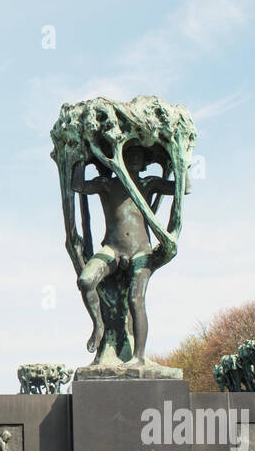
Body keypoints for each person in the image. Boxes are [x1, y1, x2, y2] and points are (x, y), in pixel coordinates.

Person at [71, 145, 177, 365]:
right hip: (112, 248)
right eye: (130, 154)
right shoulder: (108, 183)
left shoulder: (149, 183)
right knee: (85, 280)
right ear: (120, 157)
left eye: (140, 155)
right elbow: (78, 186)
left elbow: (182, 189)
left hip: (140, 251)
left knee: (135, 300)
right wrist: (79, 158)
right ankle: (99, 325)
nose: (136, 158)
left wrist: (182, 164)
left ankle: (138, 357)